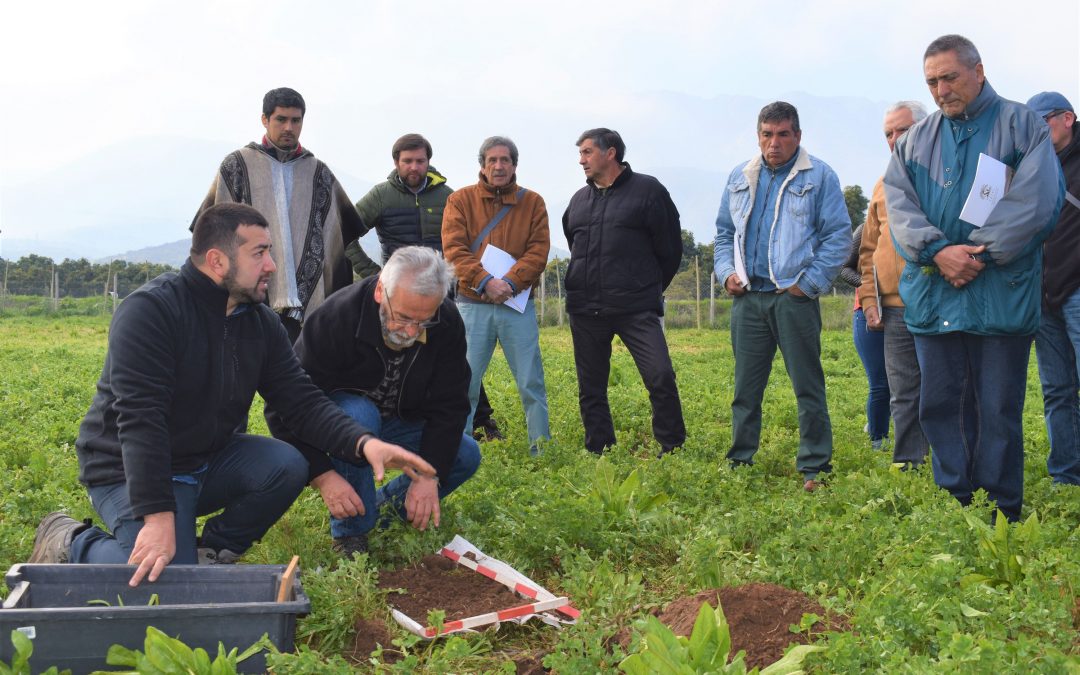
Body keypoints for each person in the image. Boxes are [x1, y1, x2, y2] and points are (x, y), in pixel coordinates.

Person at [28, 204, 435, 586]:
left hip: (206, 460)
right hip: (128, 469)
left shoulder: (258, 322)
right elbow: (141, 419)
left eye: (270, 252)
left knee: (287, 464)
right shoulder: (151, 312)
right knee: (164, 580)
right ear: (217, 261)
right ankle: (71, 540)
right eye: (259, 253)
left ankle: (212, 549)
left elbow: (302, 401)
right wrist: (157, 516)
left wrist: (364, 444)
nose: (272, 266)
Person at [884, 35, 1063, 520]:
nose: (941, 90)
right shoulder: (916, 140)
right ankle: (955, 506)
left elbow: (1038, 201)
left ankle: (1002, 511)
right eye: (931, 82)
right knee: (940, 406)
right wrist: (939, 253)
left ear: (978, 71)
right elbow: (899, 209)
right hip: (936, 298)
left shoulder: (1023, 126)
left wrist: (977, 256)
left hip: (999, 296)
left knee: (997, 410)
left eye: (949, 77)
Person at [266, 246, 481, 555]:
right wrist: (323, 476)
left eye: (423, 322)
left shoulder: (445, 322)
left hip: (400, 424)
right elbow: (283, 407)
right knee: (359, 413)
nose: (410, 332)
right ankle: (351, 536)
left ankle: (375, 512)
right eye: (403, 318)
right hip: (345, 428)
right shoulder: (336, 318)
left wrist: (428, 474)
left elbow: (451, 404)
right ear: (381, 291)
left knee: (465, 454)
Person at [714, 102, 850, 491]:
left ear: (798, 136)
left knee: (807, 384)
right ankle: (740, 459)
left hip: (793, 298)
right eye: (767, 135)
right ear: (758, 136)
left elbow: (838, 236)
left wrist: (807, 285)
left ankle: (814, 466)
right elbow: (724, 233)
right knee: (745, 387)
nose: (774, 143)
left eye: (783, 134)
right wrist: (726, 275)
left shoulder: (819, 176)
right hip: (748, 298)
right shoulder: (739, 176)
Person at [346, 133, 503, 442]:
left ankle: (481, 422)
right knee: (396, 353)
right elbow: (346, 234)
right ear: (396, 163)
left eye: (420, 160)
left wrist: (464, 276)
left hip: (442, 291)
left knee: (456, 356)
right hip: (398, 295)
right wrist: (374, 275)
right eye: (407, 161)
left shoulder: (448, 197)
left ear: (429, 162)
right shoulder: (381, 197)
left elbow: (473, 242)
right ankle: (392, 419)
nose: (414, 167)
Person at [191, 87, 364, 341]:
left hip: (307, 305)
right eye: (281, 119)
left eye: (296, 120)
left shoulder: (319, 173)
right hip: (246, 297)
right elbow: (210, 233)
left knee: (297, 372)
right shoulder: (237, 166)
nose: (289, 127)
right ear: (265, 119)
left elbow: (341, 241)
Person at [563, 128, 686, 457]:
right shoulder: (578, 200)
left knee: (660, 375)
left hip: (636, 308)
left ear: (610, 152)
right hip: (586, 309)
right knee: (591, 387)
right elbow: (574, 244)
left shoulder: (648, 191)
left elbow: (670, 249)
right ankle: (599, 448)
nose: (581, 160)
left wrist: (646, 287)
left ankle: (671, 447)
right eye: (581, 153)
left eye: (587, 152)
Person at [442, 137, 551, 454]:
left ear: (515, 165)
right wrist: (486, 281)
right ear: (482, 165)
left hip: (517, 306)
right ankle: (457, 451)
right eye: (492, 160)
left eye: (505, 160)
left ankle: (542, 449)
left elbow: (538, 251)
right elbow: (454, 250)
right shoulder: (460, 201)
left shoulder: (533, 202)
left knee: (531, 382)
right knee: (465, 383)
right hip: (472, 306)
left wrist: (510, 284)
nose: (499, 166)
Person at [858, 100, 932, 467]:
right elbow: (869, 249)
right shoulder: (881, 184)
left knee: (944, 388)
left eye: (902, 129)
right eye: (888, 133)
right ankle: (909, 462)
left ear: (926, 127)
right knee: (902, 392)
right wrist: (869, 298)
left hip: (940, 301)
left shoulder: (944, 176)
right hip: (895, 306)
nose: (894, 138)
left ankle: (951, 463)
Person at [1026, 91, 1080, 486]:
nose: (1038, 130)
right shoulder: (1028, 165)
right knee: (1057, 389)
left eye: (1044, 121)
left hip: (1077, 289)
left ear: (1067, 118)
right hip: (1041, 296)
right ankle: (1065, 475)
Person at [838, 223, 890, 451]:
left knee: (906, 383)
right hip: (868, 312)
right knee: (880, 382)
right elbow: (845, 269)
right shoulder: (865, 229)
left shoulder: (911, 224)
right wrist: (869, 285)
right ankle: (878, 439)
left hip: (905, 313)